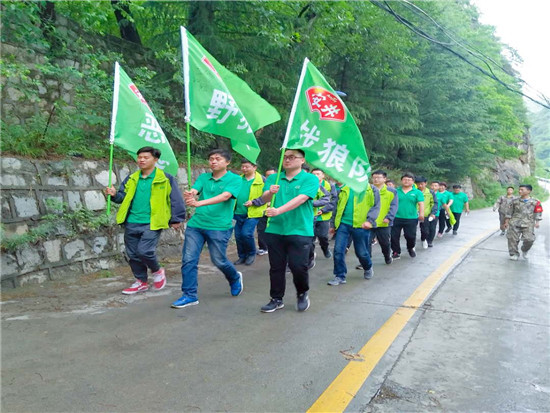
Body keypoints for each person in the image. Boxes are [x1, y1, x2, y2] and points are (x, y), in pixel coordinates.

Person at [105, 147, 186, 295]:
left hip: (153, 222)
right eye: (139, 157)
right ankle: (141, 281)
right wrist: (114, 194)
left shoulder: (165, 178)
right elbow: (123, 197)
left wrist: (176, 218)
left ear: (155, 160)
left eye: (145, 157)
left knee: (145, 251)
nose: (141, 160)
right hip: (131, 221)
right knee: (132, 254)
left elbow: (176, 200)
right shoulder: (132, 178)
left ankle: (157, 270)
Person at [171, 149, 243, 309]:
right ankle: (189, 295)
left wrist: (199, 203)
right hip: (197, 225)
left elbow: (225, 196)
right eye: (211, 159)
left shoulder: (235, 179)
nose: (213, 161)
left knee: (218, 260)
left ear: (227, 162)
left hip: (219, 226)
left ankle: (234, 277)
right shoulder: (204, 177)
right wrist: (191, 193)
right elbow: (196, 189)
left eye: (218, 159)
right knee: (188, 260)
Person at [259, 149, 319, 313]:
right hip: (276, 228)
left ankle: (302, 292)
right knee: (276, 267)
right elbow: (264, 198)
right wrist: (270, 193)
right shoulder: (274, 177)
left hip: (299, 229)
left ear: (302, 160)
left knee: (298, 266)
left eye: (292, 157)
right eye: (285, 157)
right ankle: (276, 299)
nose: (287, 160)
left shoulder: (310, 179)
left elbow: (301, 199)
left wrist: (279, 210)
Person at [327, 182, 380, 285]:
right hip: (343, 224)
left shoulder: (371, 189)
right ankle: (340, 275)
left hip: (361, 225)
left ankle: (368, 266)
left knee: (361, 252)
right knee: (338, 250)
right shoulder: (344, 188)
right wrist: (333, 224)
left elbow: (376, 206)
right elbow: (336, 207)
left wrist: (370, 220)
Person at [233, 159, 266, 266]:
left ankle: (251, 253)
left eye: (247, 167)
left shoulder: (262, 180)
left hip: (253, 212)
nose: (244, 169)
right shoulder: (238, 179)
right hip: (238, 212)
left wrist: (254, 202)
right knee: (238, 235)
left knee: (246, 234)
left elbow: (266, 196)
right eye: (242, 166)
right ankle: (242, 256)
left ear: (254, 167)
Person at [504, 184, 543, 260]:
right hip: (514, 223)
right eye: (519, 189)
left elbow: (538, 212)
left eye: (522, 190)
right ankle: (514, 254)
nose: (519, 191)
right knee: (512, 239)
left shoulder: (535, 202)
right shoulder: (514, 201)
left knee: (529, 240)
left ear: (528, 191)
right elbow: (509, 212)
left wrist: (537, 222)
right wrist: (506, 222)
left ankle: (524, 250)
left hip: (528, 224)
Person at [391, 173, 424, 259]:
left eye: (409, 180)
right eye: (405, 179)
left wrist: (421, 214)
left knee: (410, 236)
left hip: (411, 218)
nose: (406, 181)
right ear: (401, 180)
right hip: (396, 217)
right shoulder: (396, 191)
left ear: (413, 182)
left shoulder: (417, 192)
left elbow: (421, 204)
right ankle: (396, 251)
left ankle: (410, 248)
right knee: (394, 236)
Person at [369, 170, 398, 264]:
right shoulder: (368, 189)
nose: (376, 179)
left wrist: (389, 217)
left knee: (384, 243)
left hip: (384, 222)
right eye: (374, 177)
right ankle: (366, 261)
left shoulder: (392, 191)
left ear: (384, 179)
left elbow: (394, 206)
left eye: (378, 177)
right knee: (366, 243)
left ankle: (387, 256)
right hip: (369, 222)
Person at [310, 168, 337, 262]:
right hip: (310, 215)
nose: (315, 176)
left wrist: (323, 210)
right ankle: (310, 257)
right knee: (310, 238)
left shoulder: (329, 186)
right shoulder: (308, 184)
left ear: (323, 175)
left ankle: (325, 249)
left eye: (318, 174)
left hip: (323, 216)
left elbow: (333, 201)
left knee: (323, 236)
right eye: (313, 174)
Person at [255, 167, 276, 255]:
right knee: (261, 229)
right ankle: (263, 247)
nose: (268, 177)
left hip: (277, 212)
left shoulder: (282, 184)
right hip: (263, 211)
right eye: (267, 175)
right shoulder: (262, 185)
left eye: (271, 175)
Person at [415, 176, 439, 249]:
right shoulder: (414, 191)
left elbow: (434, 203)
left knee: (427, 230)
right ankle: (419, 241)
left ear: (425, 183)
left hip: (426, 214)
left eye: (422, 184)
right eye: (418, 184)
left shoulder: (430, 192)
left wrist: (433, 213)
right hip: (414, 214)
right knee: (417, 230)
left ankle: (427, 240)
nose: (420, 186)